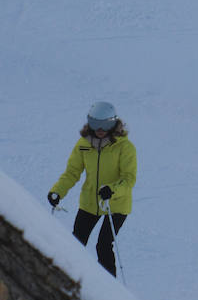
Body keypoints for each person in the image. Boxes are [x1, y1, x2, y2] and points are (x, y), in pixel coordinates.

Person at [47, 101, 137, 277]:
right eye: (96, 124)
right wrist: (58, 191)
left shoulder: (125, 147)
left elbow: (128, 179)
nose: (100, 129)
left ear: (114, 123)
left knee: (103, 245)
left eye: (106, 124)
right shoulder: (83, 144)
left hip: (116, 204)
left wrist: (112, 190)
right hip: (90, 202)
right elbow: (72, 172)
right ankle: (68, 283)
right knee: (76, 242)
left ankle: (110, 292)